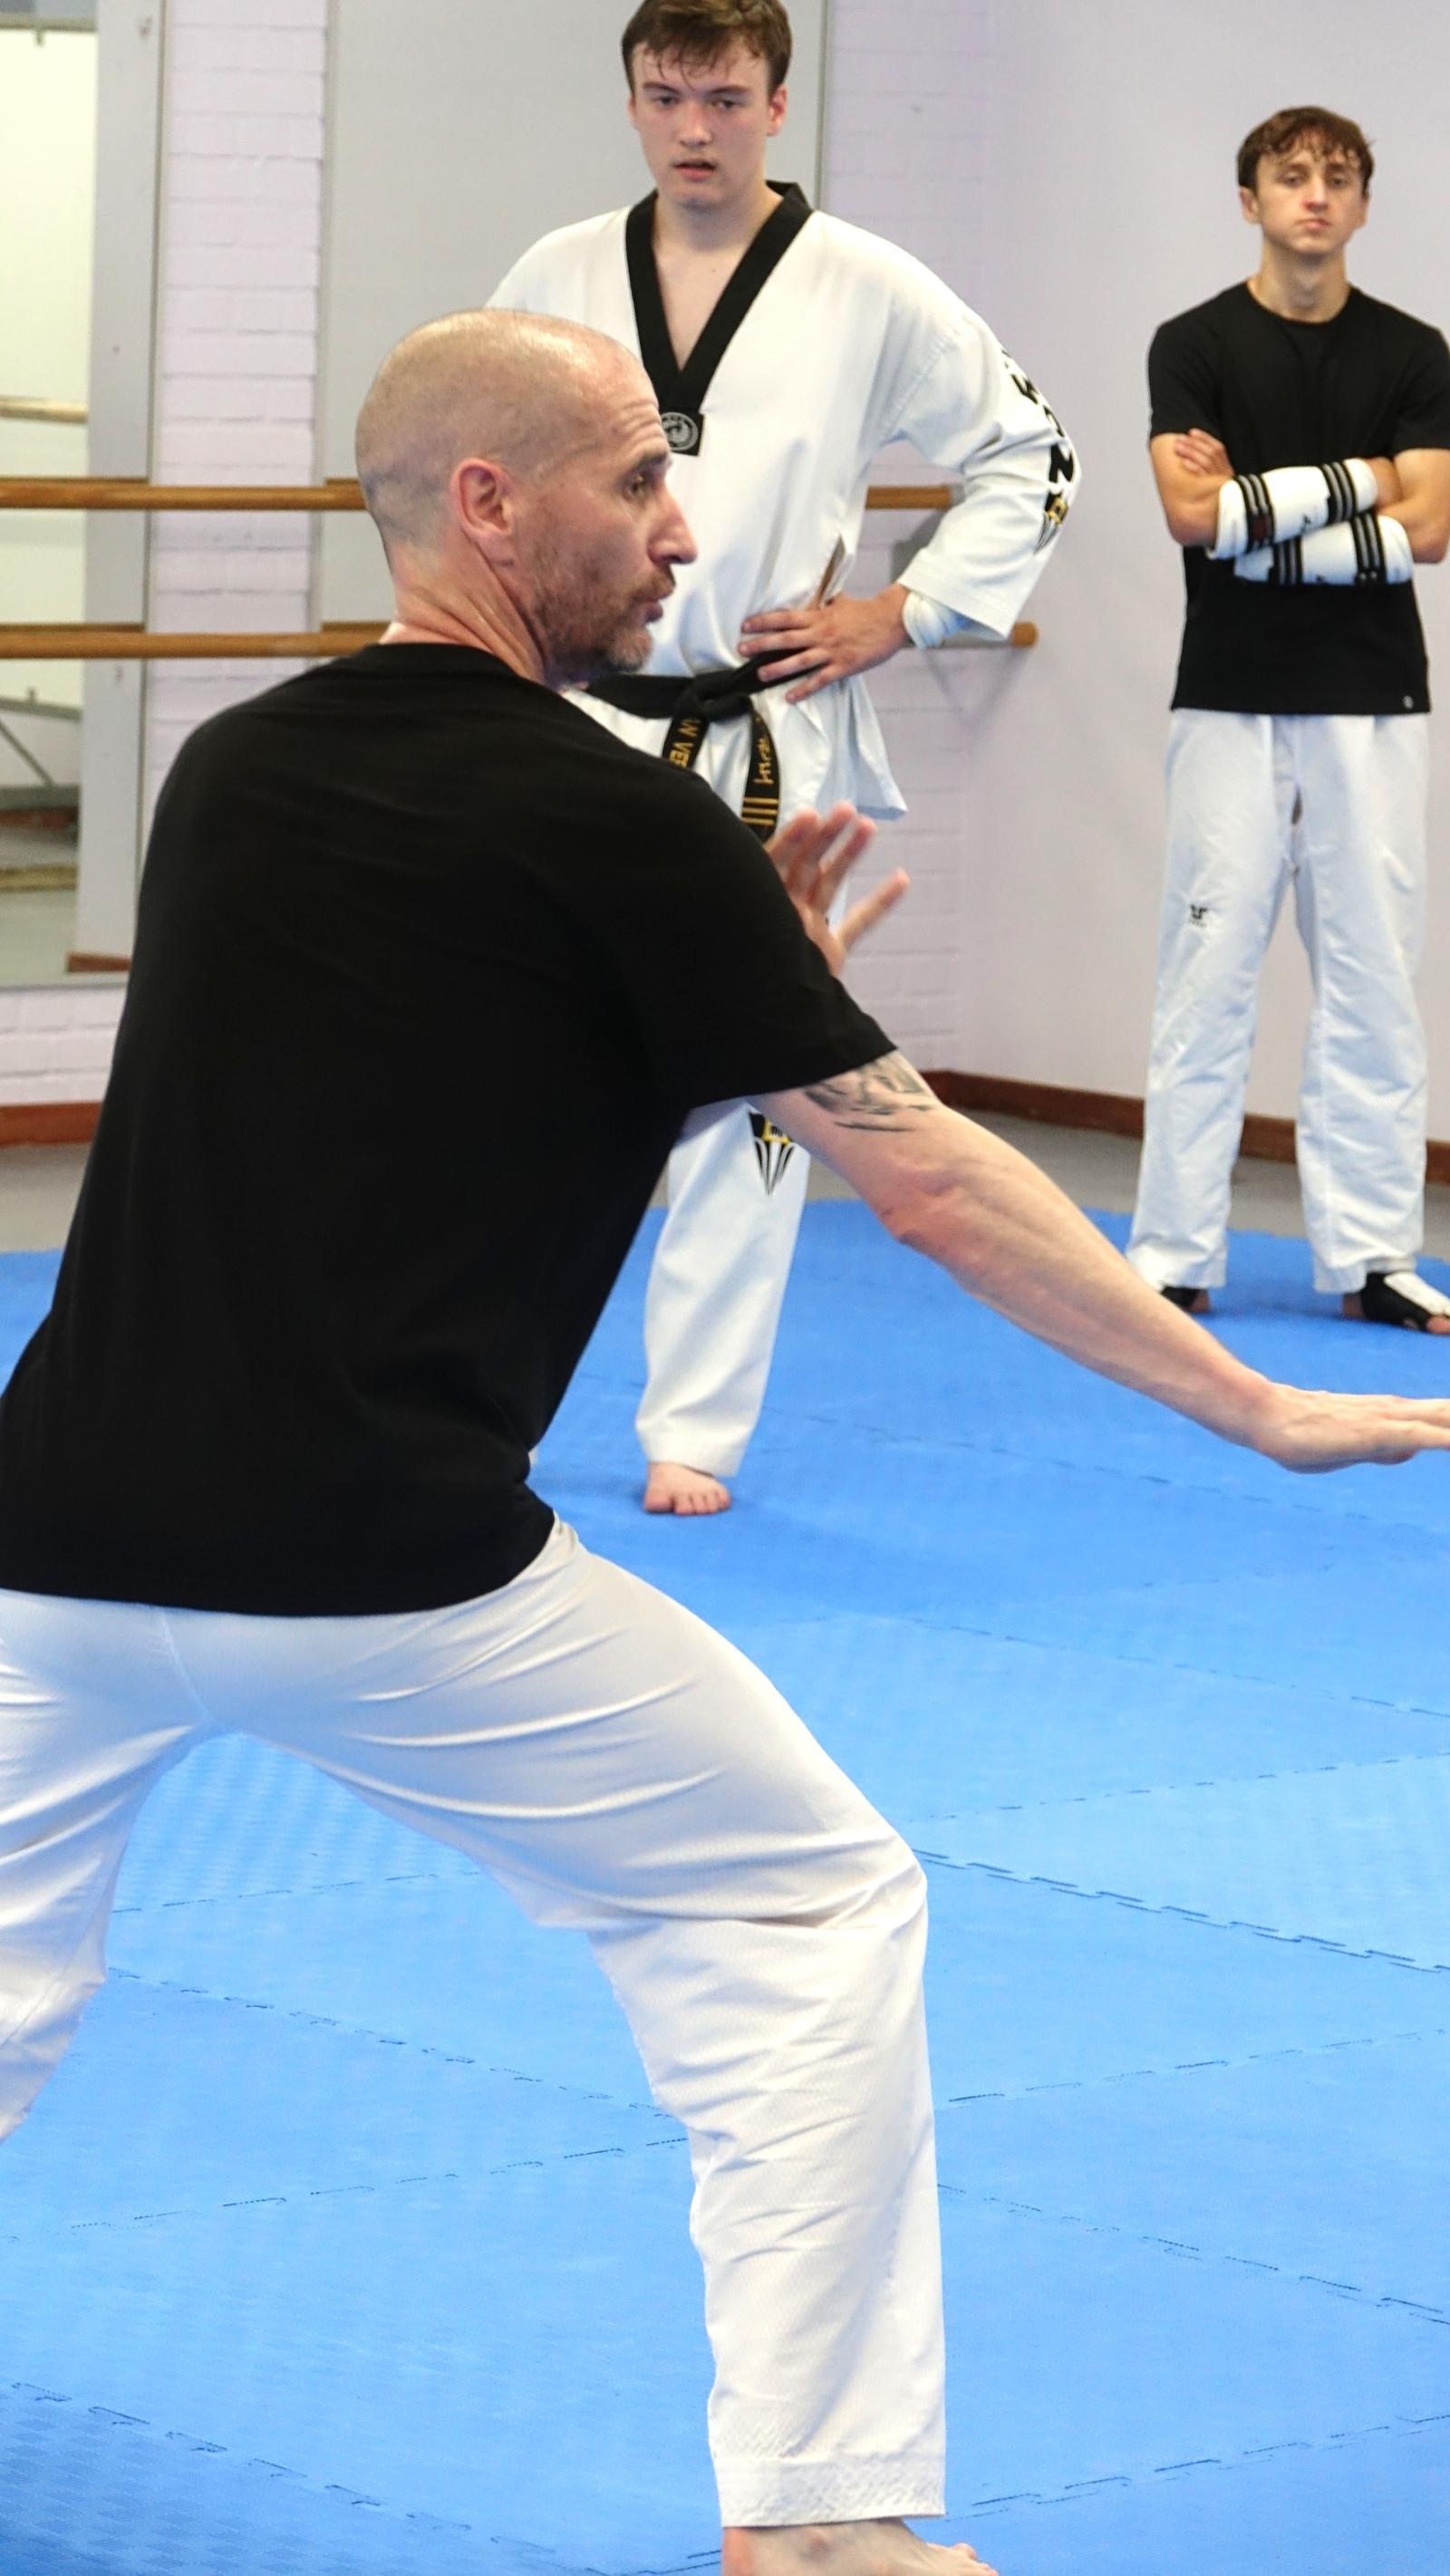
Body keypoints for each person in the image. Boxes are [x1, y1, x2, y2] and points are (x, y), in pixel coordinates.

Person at [3, 309, 1448, 2576]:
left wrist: (724, 1002)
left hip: (50, 1544)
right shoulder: (618, 819)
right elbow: (929, 1181)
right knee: (803, 1909)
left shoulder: (235, 772)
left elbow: (433, 1105)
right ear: (488, 505)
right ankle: (823, 2522)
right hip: (384, 1573)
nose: (680, 532)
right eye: (630, 482)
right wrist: (1245, 1398)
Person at [491, 0, 1078, 1515]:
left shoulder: (866, 284)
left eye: (725, 96)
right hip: (575, 721)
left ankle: (693, 1426)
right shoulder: (555, 275)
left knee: (756, 1090)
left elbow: (1036, 453)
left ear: (777, 101)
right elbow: (473, 474)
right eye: (665, 94)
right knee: (518, 1065)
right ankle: (473, 1401)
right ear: (631, 98)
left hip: (760, 734)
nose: (694, 127)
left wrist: (903, 610)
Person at [1127, 103, 1450, 1329]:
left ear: (1363, 203)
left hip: (1374, 701)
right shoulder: (1193, 344)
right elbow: (1187, 516)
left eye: (1338, 177)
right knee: (1205, 973)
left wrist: (1258, 524)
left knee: (1376, 976)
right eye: (1291, 175)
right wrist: (1366, 480)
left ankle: (1374, 1256)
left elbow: (1432, 529)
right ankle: (1172, 1252)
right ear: (1250, 199)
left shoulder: (1414, 352)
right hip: (1230, 696)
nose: (1315, 195)